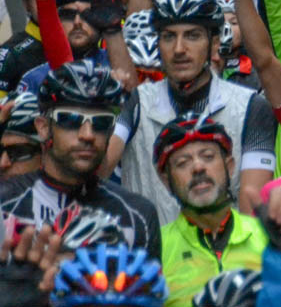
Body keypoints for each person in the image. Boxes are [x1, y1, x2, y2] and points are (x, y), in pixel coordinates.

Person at [105, 0, 277, 224]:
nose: (179, 49)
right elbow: (99, 170)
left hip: (225, 255)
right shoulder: (136, 102)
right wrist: (102, 110)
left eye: (192, 36)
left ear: (214, 44)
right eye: (168, 37)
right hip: (151, 255)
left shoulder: (251, 107)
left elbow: (253, 210)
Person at [0, 60, 161, 258]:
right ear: (42, 127)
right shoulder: (4, 205)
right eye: (70, 119)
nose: (87, 134)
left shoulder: (139, 216)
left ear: (111, 131)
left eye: (101, 122)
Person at [153, 114, 268, 307]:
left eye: (208, 156)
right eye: (182, 163)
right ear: (166, 181)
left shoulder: (267, 236)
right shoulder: (155, 250)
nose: (198, 167)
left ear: (230, 166)